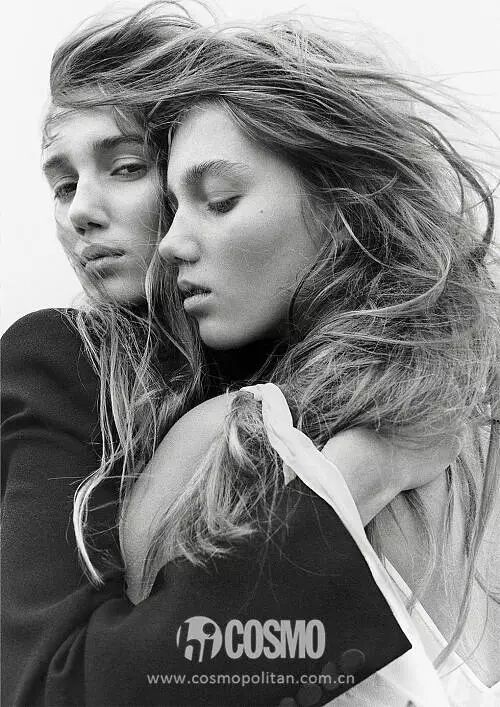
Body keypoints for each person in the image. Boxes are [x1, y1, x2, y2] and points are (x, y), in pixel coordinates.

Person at [1, 3, 498, 705]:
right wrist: (358, 475)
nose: (79, 208)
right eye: (62, 185)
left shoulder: (427, 399)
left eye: (127, 166)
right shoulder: (68, 360)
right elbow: (51, 687)